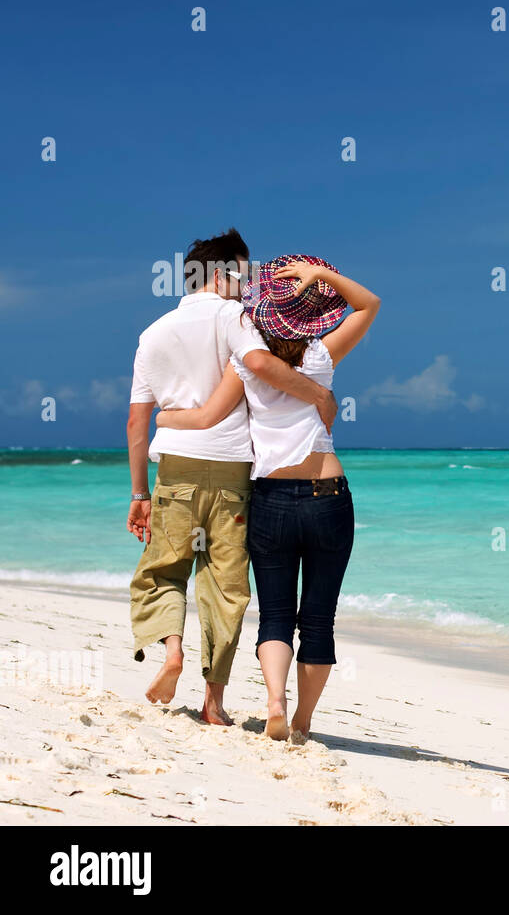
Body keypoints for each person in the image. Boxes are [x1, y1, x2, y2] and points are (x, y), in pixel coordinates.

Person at [155, 255, 380, 740]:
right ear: (314, 313)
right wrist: (321, 277)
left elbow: (206, 417)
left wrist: (163, 419)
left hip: (271, 500)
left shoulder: (248, 364)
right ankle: (301, 722)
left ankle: (274, 701)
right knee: (318, 618)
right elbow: (369, 305)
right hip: (328, 495)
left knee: (276, 614)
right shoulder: (321, 355)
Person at [127, 230, 338, 725]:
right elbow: (260, 363)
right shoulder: (237, 318)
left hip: (174, 467)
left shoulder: (153, 332)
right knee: (226, 587)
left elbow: (138, 422)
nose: (250, 286)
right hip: (232, 472)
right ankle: (213, 701)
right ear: (219, 274)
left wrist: (139, 492)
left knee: (163, 570)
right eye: (244, 275)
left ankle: (173, 652)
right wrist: (318, 396)